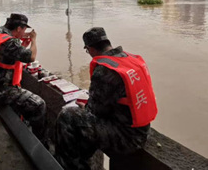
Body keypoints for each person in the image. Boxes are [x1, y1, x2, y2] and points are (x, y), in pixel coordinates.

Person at [54, 27, 158, 170]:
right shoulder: (132, 60)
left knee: (67, 116)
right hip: (142, 129)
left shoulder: (104, 70)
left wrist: (83, 105)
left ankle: (68, 166)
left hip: (126, 138)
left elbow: (94, 112)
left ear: (90, 49)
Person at [0, 13, 46, 142]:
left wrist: (20, 41)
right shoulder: (9, 42)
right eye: (24, 30)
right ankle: (40, 145)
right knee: (39, 105)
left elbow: (4, 55)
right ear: (18, 28)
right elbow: (31, 57)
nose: (24, 32)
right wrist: (33, 40)